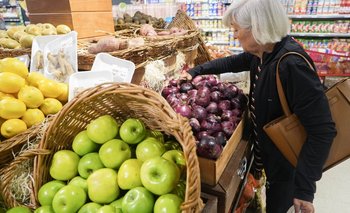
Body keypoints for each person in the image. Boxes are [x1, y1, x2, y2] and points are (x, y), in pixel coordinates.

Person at [182, 0, 337, 212]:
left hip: (289, 170)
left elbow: (323, 130)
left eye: (236, 29)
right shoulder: (264, 53)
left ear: (257, 27)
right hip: (272, 161)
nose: (235, 35)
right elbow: (232, 62)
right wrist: (195, 71)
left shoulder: (292, 65)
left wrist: (304, 190)